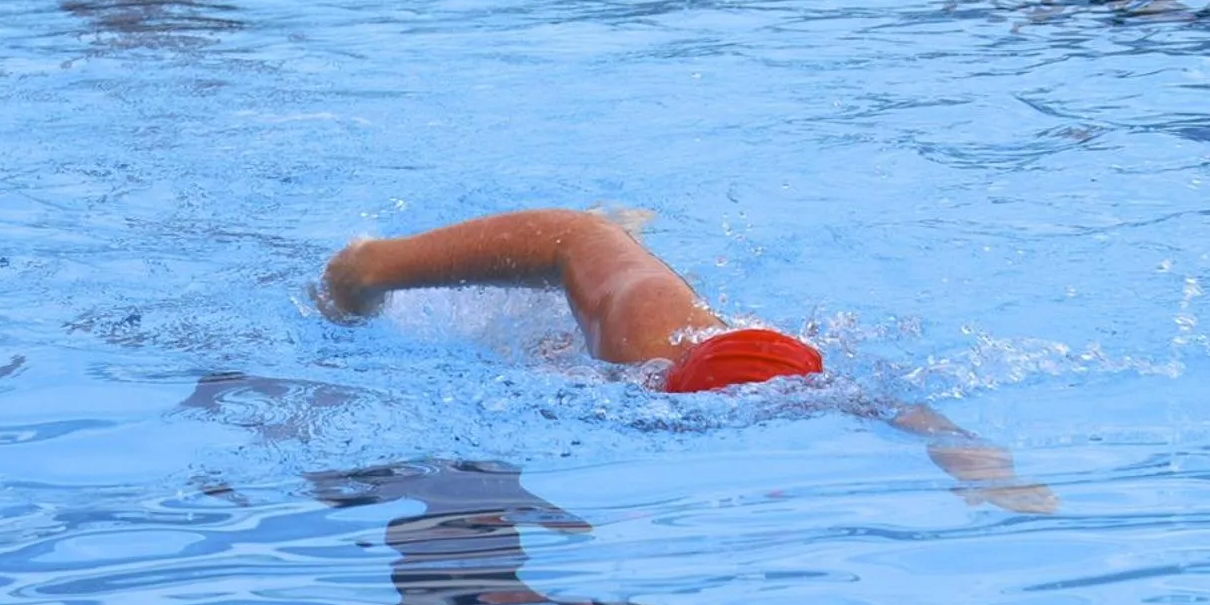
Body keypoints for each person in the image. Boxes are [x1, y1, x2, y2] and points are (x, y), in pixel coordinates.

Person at [318, 208, 1056, 512]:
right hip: (605, 275)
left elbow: (889, 405)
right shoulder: (647, 338)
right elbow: (574, 236)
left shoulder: (814, 380)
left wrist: (975, 459)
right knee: (595, 243)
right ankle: (372, 264)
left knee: (559, 349)